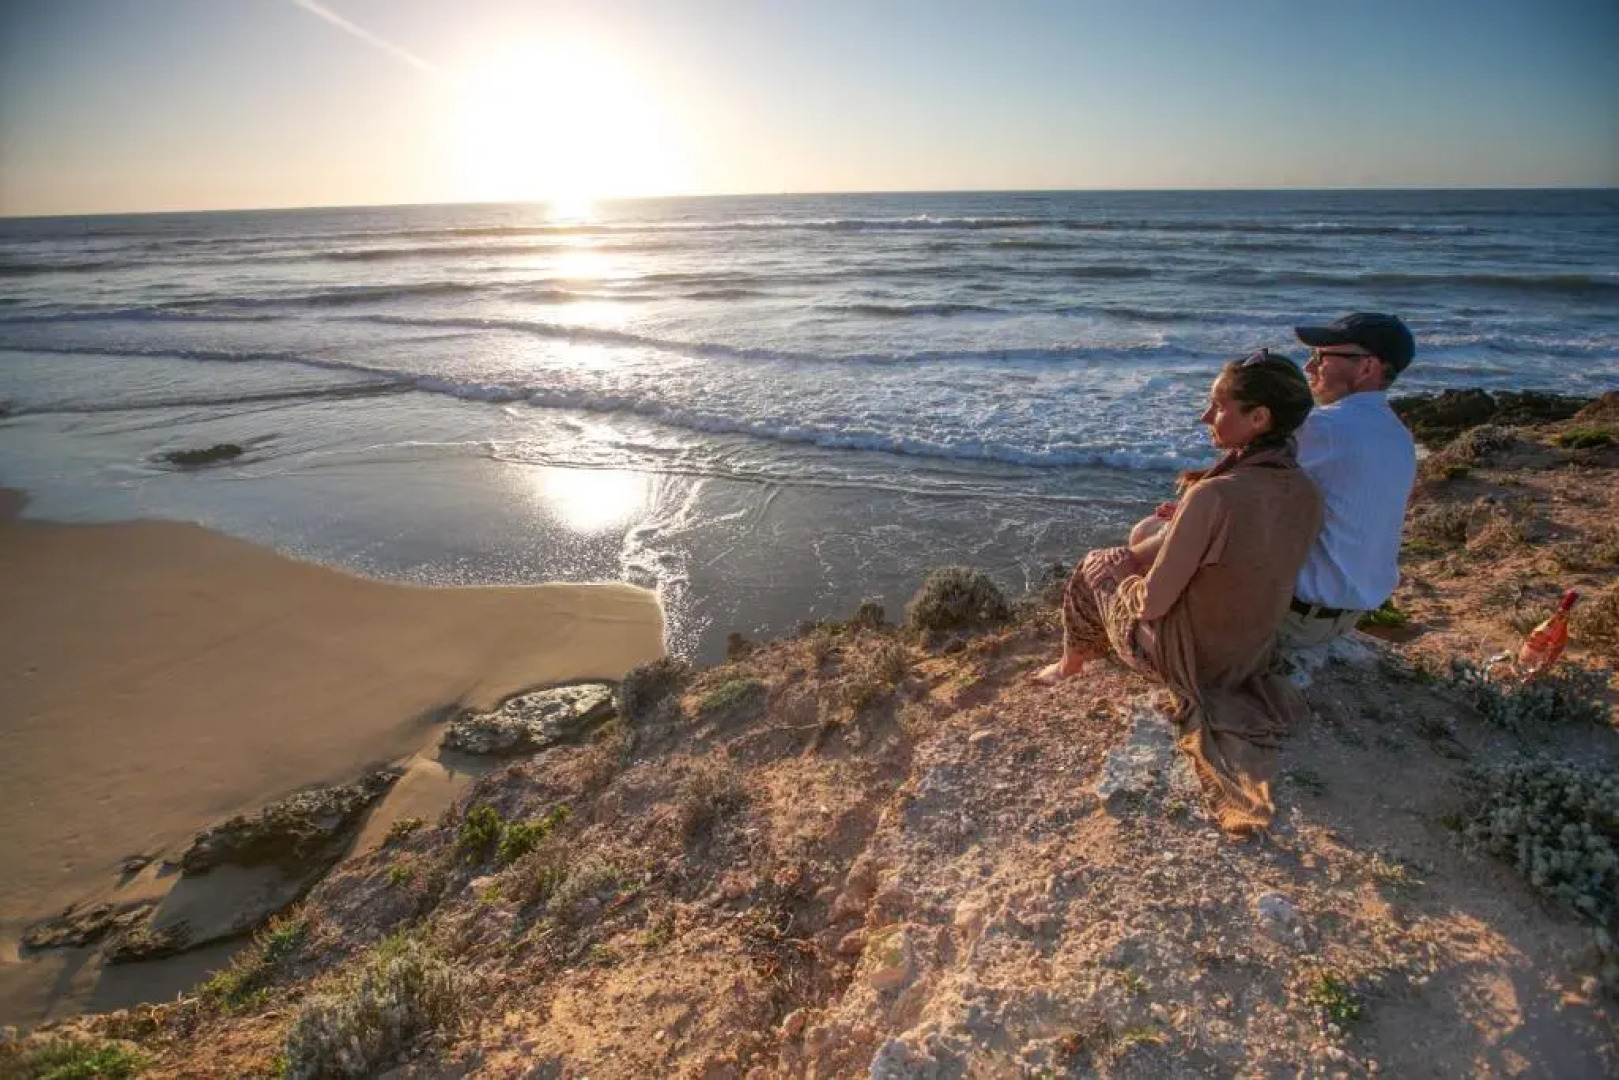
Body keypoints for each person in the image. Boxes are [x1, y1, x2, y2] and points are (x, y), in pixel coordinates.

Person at [1036, 351, 1322, 833]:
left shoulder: (1214, 496)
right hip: (1247, 655)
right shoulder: (1305, 490)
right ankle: (1092, 635)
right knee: (1148, 533)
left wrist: (1122, 575)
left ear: (1259, 418)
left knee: (1093, 566)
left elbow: (1152, 604)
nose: (1205, 417)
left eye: (1218, 407)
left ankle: (1070, 666)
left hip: (1186, 659)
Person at [1279, 313, 1418, 649]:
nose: (1309, 369)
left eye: (1321, 357)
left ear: (1366, 367)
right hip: (1345, 616)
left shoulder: (1324, 428)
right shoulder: (1399, 436)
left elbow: (1227, 491)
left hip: (1293, 622)